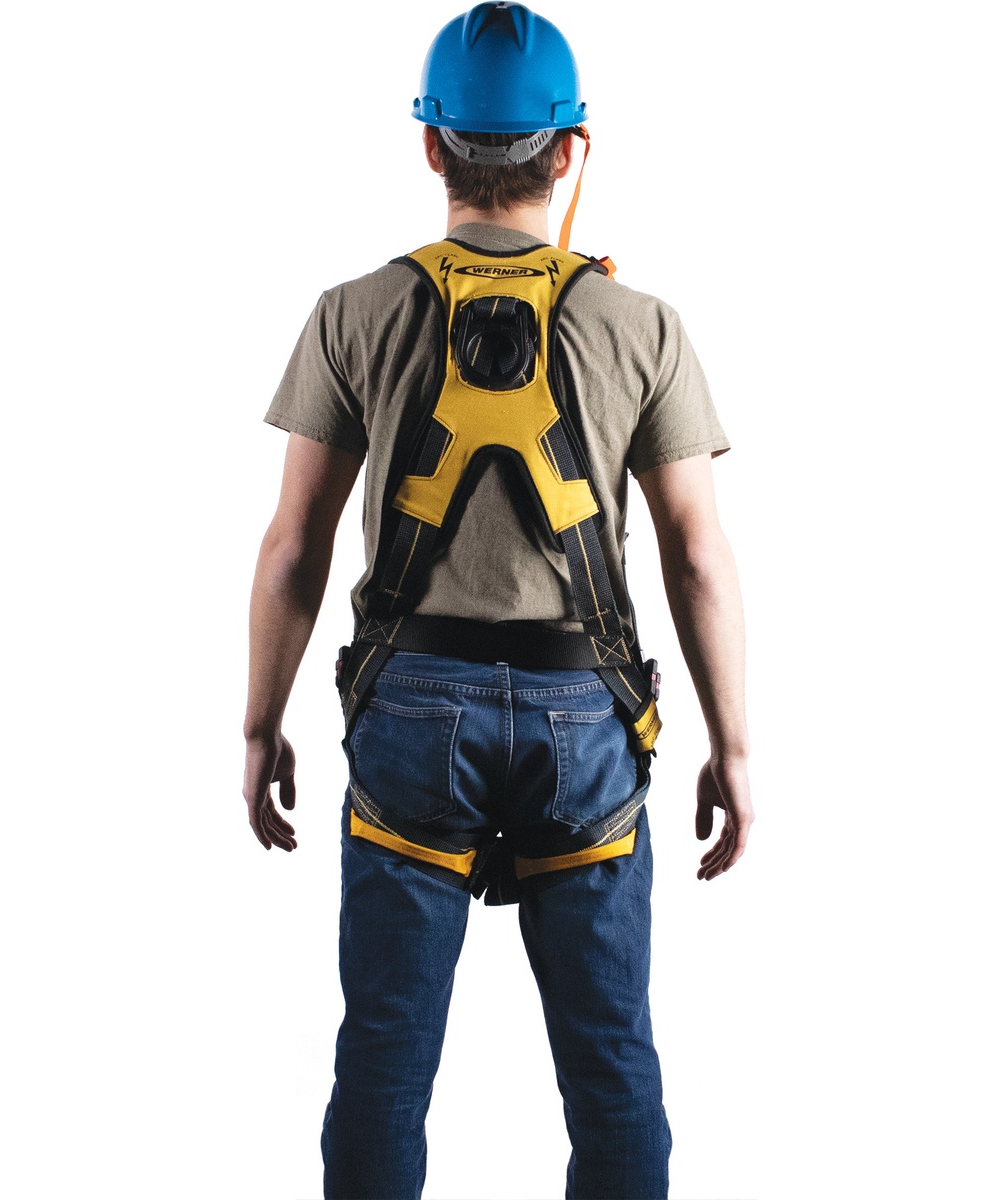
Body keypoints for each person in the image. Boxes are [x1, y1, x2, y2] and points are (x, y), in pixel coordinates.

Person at [242, 4, 753, 1196]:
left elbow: (292, 546)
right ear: (570, 150)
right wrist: (733, 748)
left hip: (410, 718)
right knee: (611, 1071)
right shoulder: (644, 326)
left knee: (382, 1064)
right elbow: (696, 554)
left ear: (432, 146)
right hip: (587, 725)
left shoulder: (353, 314)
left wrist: (258, 725)